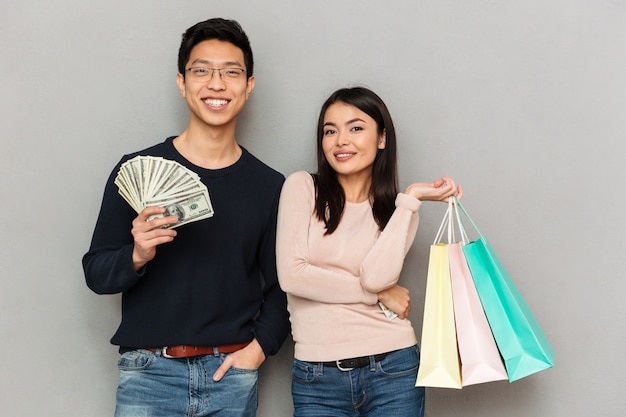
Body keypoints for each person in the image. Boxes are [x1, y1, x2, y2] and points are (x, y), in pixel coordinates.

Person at [82, 18, 290, 417]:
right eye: (202, 71)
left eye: (231, 72)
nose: (216, 84)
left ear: (249, 85)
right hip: (147, 376)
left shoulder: (269, 186)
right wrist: (137, 254)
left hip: (230, 376)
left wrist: (259, 349)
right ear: (182, 82)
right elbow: (95, 272)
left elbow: (284, 286)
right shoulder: (137, 169)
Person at [276, 86, 462, 417]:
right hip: (317, 376)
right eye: (330, 131)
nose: (340, 140)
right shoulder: (302, 187)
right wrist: (378, 296)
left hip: (394, 367)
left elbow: (377, 277)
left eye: (356, 127)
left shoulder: (399, 209)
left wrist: (411, 199)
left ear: (382, 139)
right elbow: (292, 275)